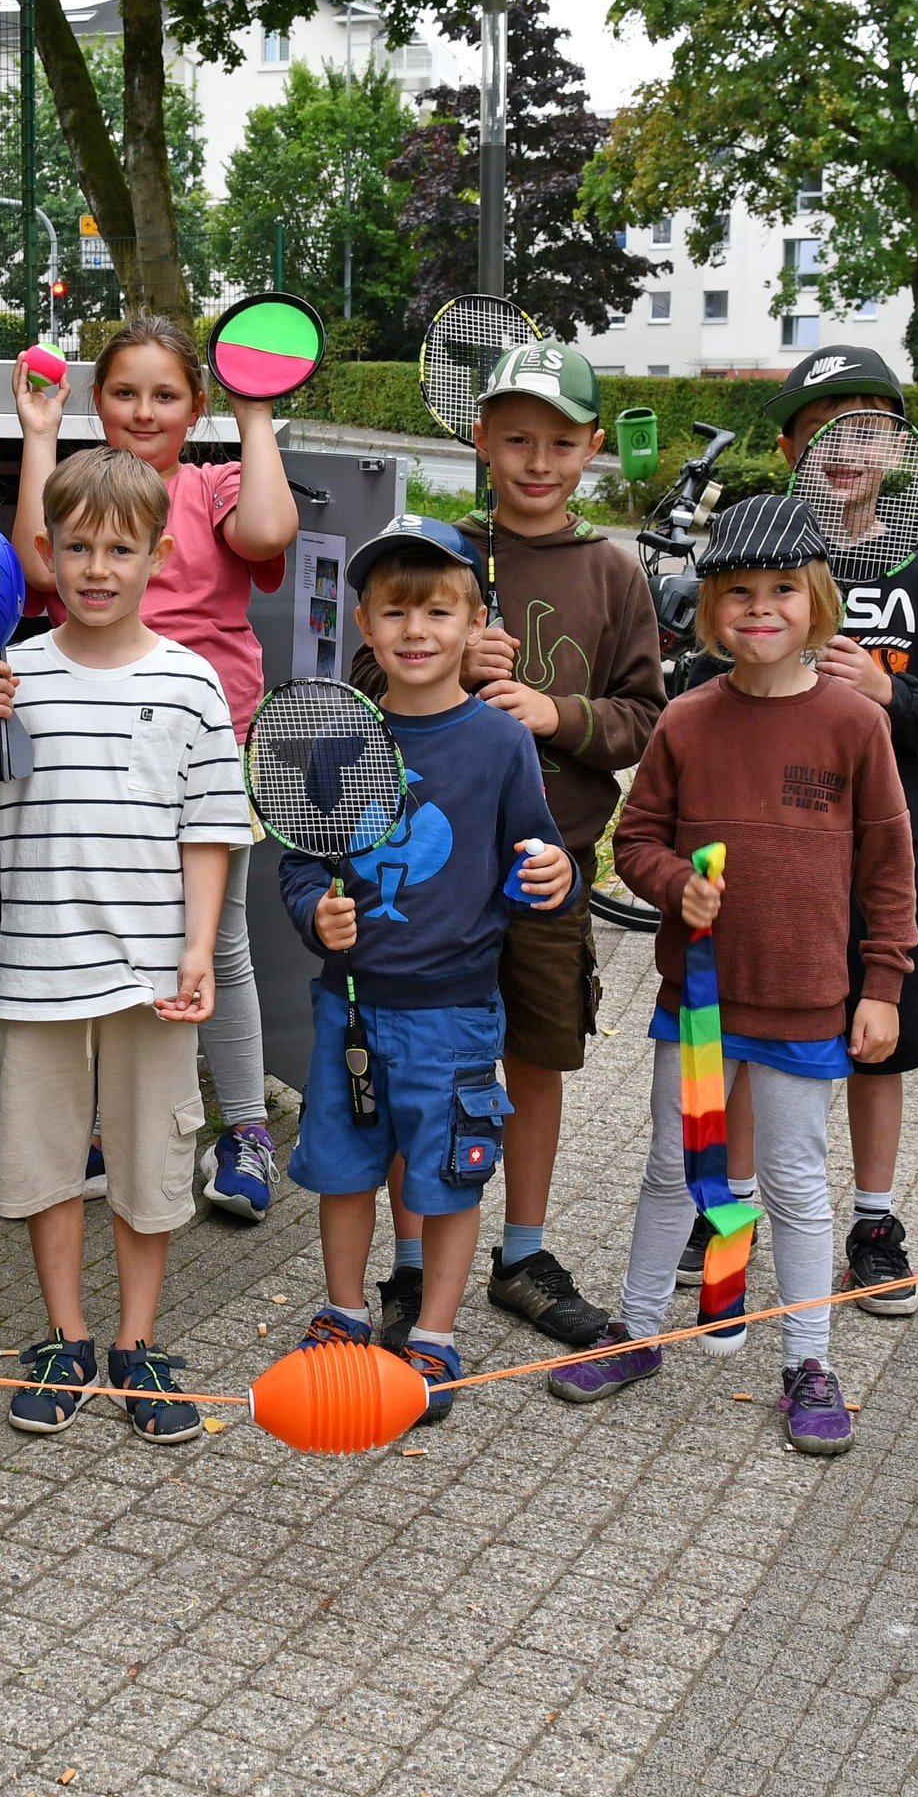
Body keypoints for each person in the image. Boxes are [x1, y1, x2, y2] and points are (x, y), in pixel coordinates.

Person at [546, 495, 914, 1458]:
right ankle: (635, 1331)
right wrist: (675, 888)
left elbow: (888, 869)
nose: (761, 608)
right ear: (711, 609)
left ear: (816, 601)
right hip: (699, 1008)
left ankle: (809, 1359)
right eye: (737, 592)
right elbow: (638, 841)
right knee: (674, 1168)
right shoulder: (688, 721)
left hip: (802, 1009)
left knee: (794, 1181)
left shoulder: (853, 725)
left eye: (783, 590)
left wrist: (883, 987)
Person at [0, 447, 251, 1444]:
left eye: (121, 548)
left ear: (159, 557)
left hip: (154, 974)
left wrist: (199, 947)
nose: (99, 567)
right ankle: (65, 1336)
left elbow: (210, 829)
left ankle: (139, 1342)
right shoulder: (10, 675)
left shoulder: (194, 682)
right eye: (79, 547)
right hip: (36, 972)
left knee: (153, 1162)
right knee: (42, 1163)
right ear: (46, 553)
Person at [355, 342, 661, 1353]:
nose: (538, 461)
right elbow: (365, 671)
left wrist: (555, 711)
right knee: (411, 1064)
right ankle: (408, 1265)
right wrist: (443, 651)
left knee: (532, 1057)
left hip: (544, 867)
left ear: (593, 450)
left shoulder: (615, 573)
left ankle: (521, 1253)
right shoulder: (445, 547)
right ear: (480, 438)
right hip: (424, 866)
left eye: (562, 443)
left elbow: (644, 720)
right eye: (517, 439)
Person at [685, 345, 918, 1317]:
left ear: (897, 453)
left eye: (871, 429)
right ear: (788, 448)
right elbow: (701, 684)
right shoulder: (761, 569)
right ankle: (723, 1207)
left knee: (877, 1041)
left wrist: (888, 690)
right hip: (770, 859)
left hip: (875, 863)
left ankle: (874, 1221)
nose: (847, 447)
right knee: (747, 1034)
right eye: (824, 430)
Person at [280, 518, 577, 1424]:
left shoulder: (498, 742)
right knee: (342, 1170)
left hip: (455, 1014)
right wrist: (313, 911)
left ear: (475, 622)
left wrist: (553, 875)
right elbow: (299, 861)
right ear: (363, 626)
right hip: (351, 1010)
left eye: (438, 611)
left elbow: (538, 857)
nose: (416, 630)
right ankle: (344, 1313)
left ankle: (436, 1336)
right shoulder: (334, 739)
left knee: (447, 1178)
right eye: (396, 612)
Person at [14, 321, 296, 1220]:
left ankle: (245, 1128)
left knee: (220, 942)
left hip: (210, 742)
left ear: (195, 408)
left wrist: (255, 416)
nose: (144, 410)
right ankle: (102, 1128)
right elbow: (33, 560)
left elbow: (268, 529)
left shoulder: (213, 485)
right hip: (96, 745)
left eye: (166, 394)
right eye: (125, 392)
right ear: (100, 403)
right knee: (101, 935)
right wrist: (40, 437)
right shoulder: (83, 501)